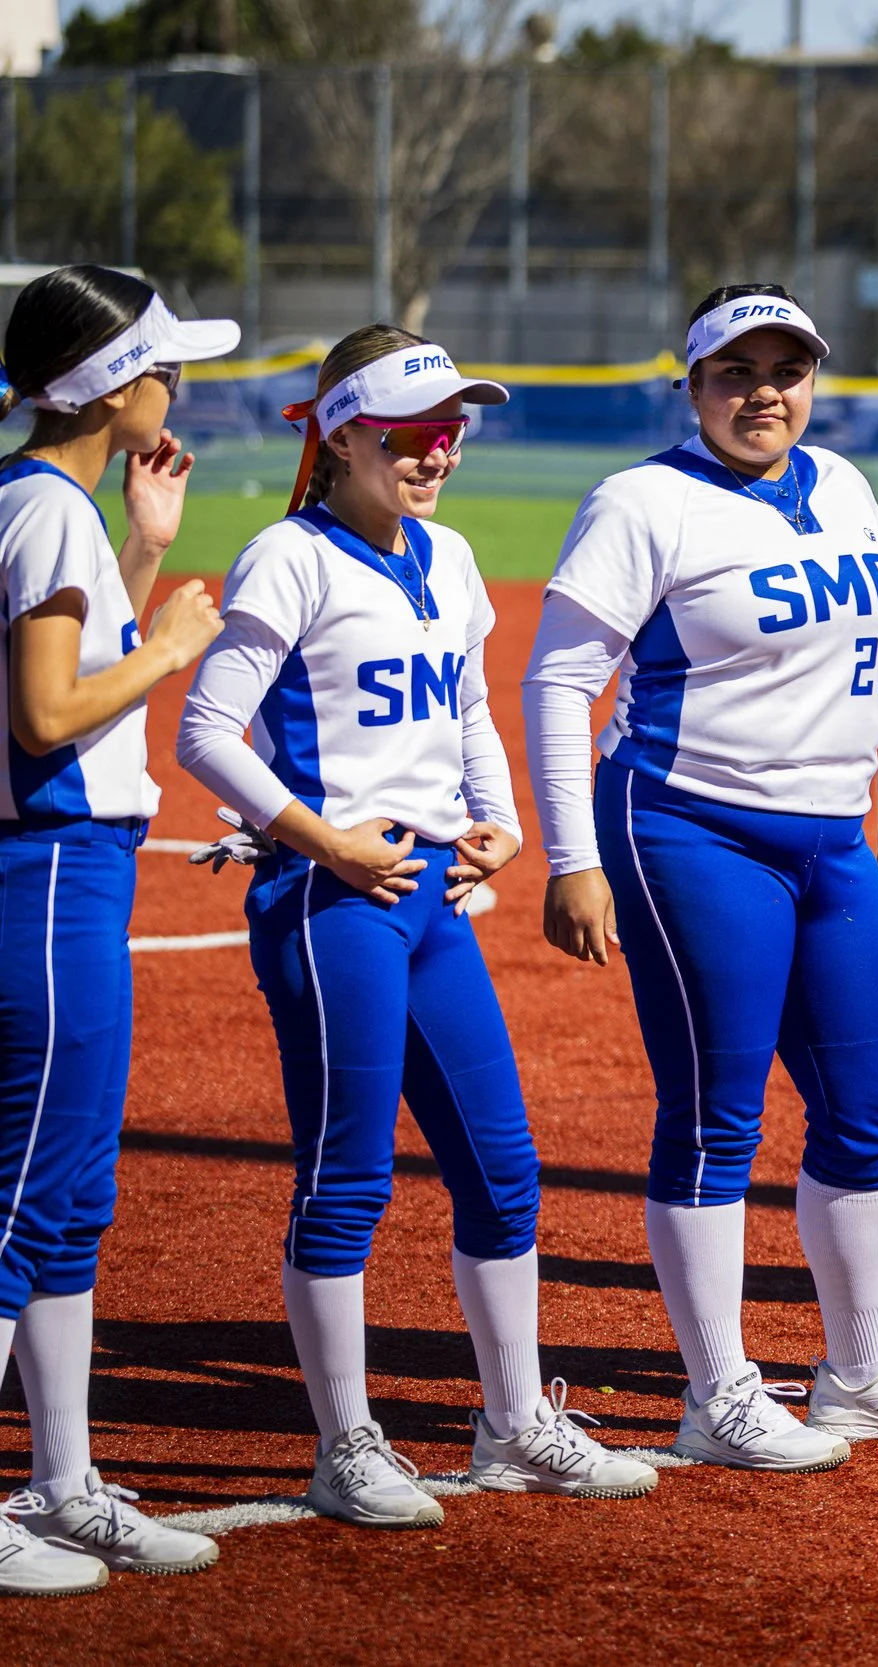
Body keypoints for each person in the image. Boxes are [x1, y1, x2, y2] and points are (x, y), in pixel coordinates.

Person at [178, 325, 658, 1528]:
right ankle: (344, 1444)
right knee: (346, 1180)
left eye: (451, 425)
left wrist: (493, 821)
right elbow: (206, 732)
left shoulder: (444, 557)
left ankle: (512, 1423)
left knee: (504, 1171)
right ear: (340, 435)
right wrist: (320, 837)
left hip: (431, 901)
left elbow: (468, 710)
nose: (436, 448)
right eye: (408, 429)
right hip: (331, 899)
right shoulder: (287, 556)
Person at [528, 285, 878, 1470]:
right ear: (692, 384)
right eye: (737, 372)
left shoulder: (839, 484)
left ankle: (855, 1369)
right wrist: (572, 858)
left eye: (786, 370)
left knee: (877, 1109)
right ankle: (718, 1391)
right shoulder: (643, 501)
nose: (764, 393)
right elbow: (555, 680)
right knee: (715, 1117)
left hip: (829, 835)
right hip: (691, 829)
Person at [0, 265, 228, 1592]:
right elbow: (41, 716)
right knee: (27, 1191)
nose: (177, 387)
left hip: (74, 873)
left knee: (72, 1194)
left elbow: (62, 674)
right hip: (44, 877)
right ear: (107, 386)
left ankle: (69, 1479)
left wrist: (142, 547)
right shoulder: (37, 511)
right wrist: (175, 636)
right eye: (163, 366)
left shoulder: (52, 506)